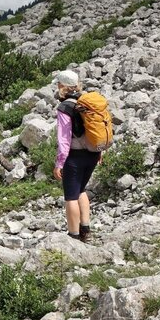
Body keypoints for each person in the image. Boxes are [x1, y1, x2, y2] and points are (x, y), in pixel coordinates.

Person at [52, 70, 101, 243]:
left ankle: (73, 236)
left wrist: (59, 163)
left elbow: (64, 139)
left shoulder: (65, 107)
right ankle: (85, 230)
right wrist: (99, 150)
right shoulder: (87, 102)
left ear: (61, 86)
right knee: (81, 190)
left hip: (75, 157)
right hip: (93, 153)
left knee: (71, 196)